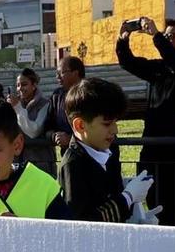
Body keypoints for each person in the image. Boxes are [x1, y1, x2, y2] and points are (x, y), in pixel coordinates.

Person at [117, 17, 175, 228]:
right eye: (166, 36)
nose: (167, 39)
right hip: (152, 147)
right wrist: (123, 38)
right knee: (152, 200)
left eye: (172, 36)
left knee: (174, 208)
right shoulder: (160, 68)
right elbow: (128, 62)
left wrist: (157, 36)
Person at [58, 78, 153, 223]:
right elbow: (82, 222)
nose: (115, 130)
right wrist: (128, 197)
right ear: (80, 126)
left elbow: (116, 196)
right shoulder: (73, 164)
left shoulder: (110, 150)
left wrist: (138, 217)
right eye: (107, 123)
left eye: (115, 122)